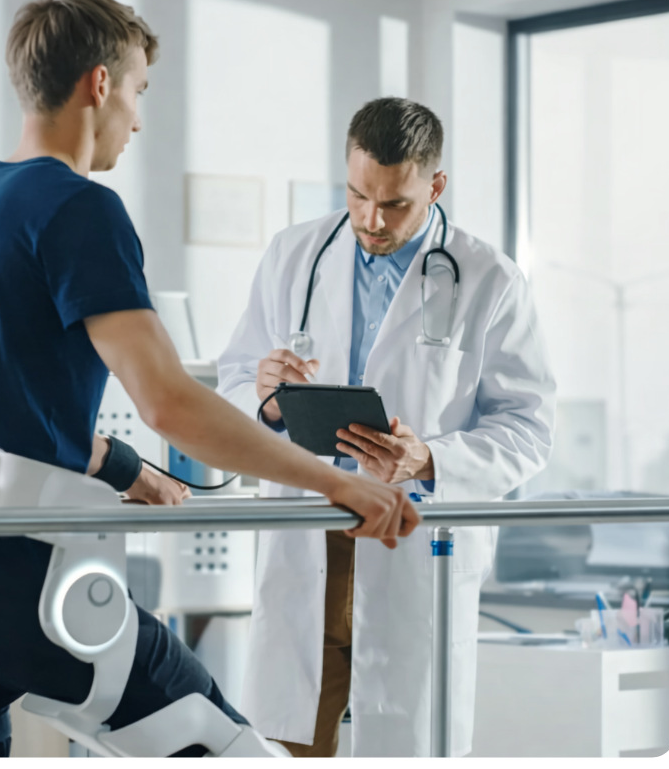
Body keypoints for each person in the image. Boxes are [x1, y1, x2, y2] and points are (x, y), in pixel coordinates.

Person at [0, 0, 418, 759]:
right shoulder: (79, 207)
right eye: (139, 90)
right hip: (21, 585)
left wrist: (119, 467)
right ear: (100, 84)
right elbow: (169, 402)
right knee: (222, 743)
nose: (139, 119)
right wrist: (334, 481)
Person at [217, 98, 556, 758]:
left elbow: (528, 428)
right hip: (306, 538)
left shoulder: (491, 280)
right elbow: (233, 378)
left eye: (395, 204)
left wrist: (429, 457)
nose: (371, 220)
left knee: (404, 740)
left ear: (435, 186)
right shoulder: (295, 254)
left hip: (410, 543)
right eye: (357, 196)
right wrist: (268, 399)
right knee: (284, 743)